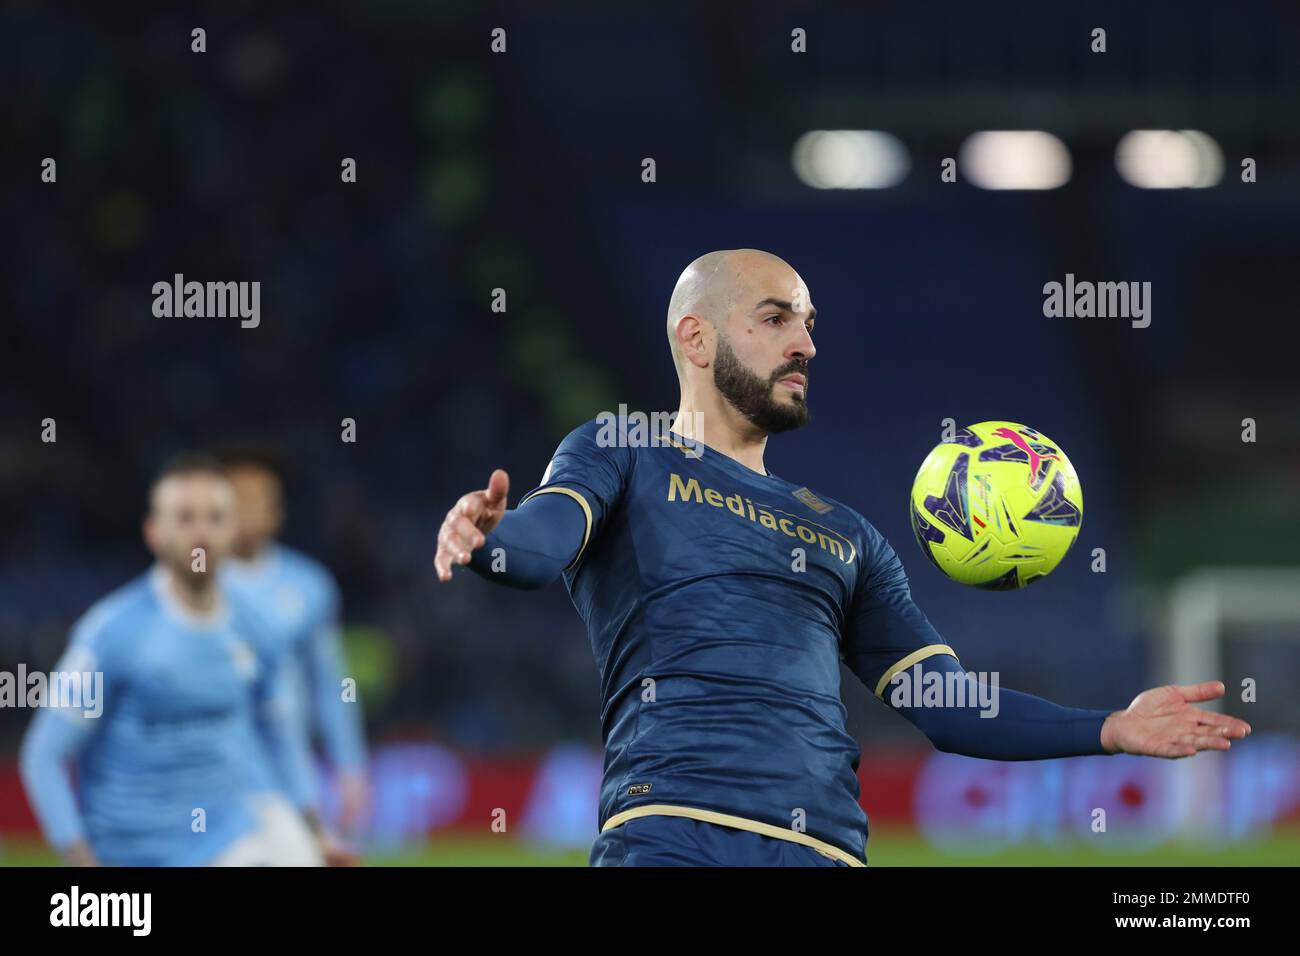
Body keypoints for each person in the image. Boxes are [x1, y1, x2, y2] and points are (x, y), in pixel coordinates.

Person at [433, 249, 1251, 867]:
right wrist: (486, 540)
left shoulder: (844, 533)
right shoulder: (623, 452)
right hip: (674, 832)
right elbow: (538, 547)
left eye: (810, 324)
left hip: (825, 849)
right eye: (777, 319)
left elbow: (950, 705)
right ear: (696, 336)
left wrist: (1109, 727)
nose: (806, 345)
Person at [20, 456, 323, 866]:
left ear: (233, 531)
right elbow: (45, 756)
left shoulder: (257, 627)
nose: (201, 532)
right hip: (137, 851)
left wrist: (315, 830)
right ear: (154, 533)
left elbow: (277, 730)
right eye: (184, 518)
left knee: (292, 845)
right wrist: (79, 859)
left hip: (231, 839)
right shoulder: (111, 634)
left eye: (215, 518)